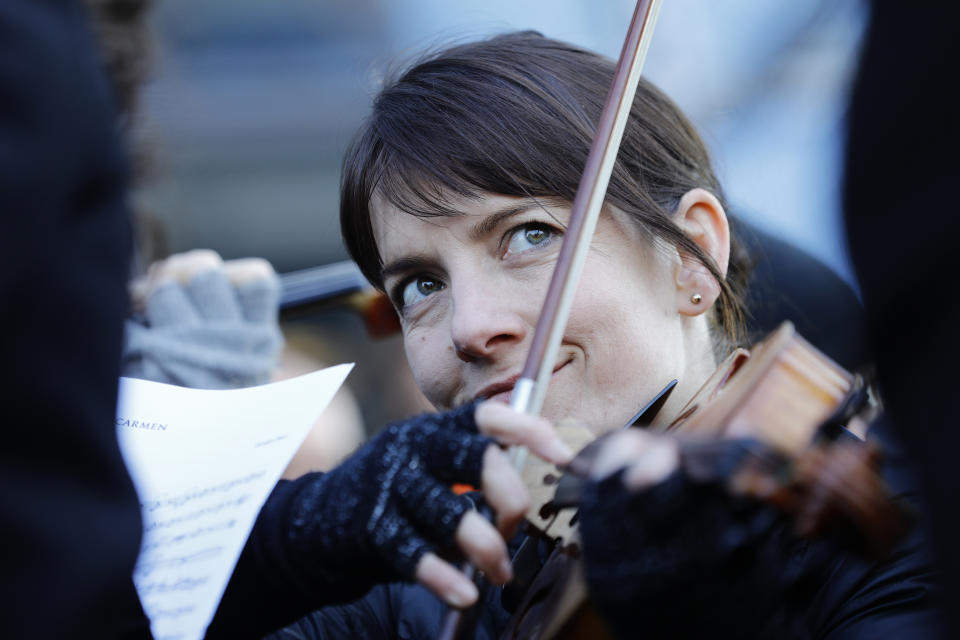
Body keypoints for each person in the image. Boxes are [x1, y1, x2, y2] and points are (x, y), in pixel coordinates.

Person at [270, 31, 942, 638]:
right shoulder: (436, 581)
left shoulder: (901, 537)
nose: (471, 328)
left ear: (693, 256)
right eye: (422, 285)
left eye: (529, 236)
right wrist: (286, 530)